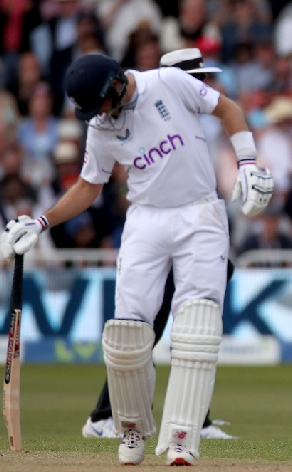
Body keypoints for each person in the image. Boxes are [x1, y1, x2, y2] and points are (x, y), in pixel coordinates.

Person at [0, 52, 272, 466]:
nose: (100, 115)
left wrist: (248, 162)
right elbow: (89, 187)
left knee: (197, 327)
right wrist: (41, 223)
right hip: (145, 220)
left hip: (199, 213)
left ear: (116, 84)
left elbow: (227, 108)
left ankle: (182, 437)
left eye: (101, 103)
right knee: (126, 334)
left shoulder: (166, 82)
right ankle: (129, 429)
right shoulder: (100, 126)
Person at [78, 48, 241, 442]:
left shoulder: (194, 112)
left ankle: (190, 417)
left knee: (180, 323)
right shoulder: (158, 98)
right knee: (147, 327)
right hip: (156, 226)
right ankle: (109, 416)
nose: (203, 85)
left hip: (193, 221)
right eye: (196, 77)